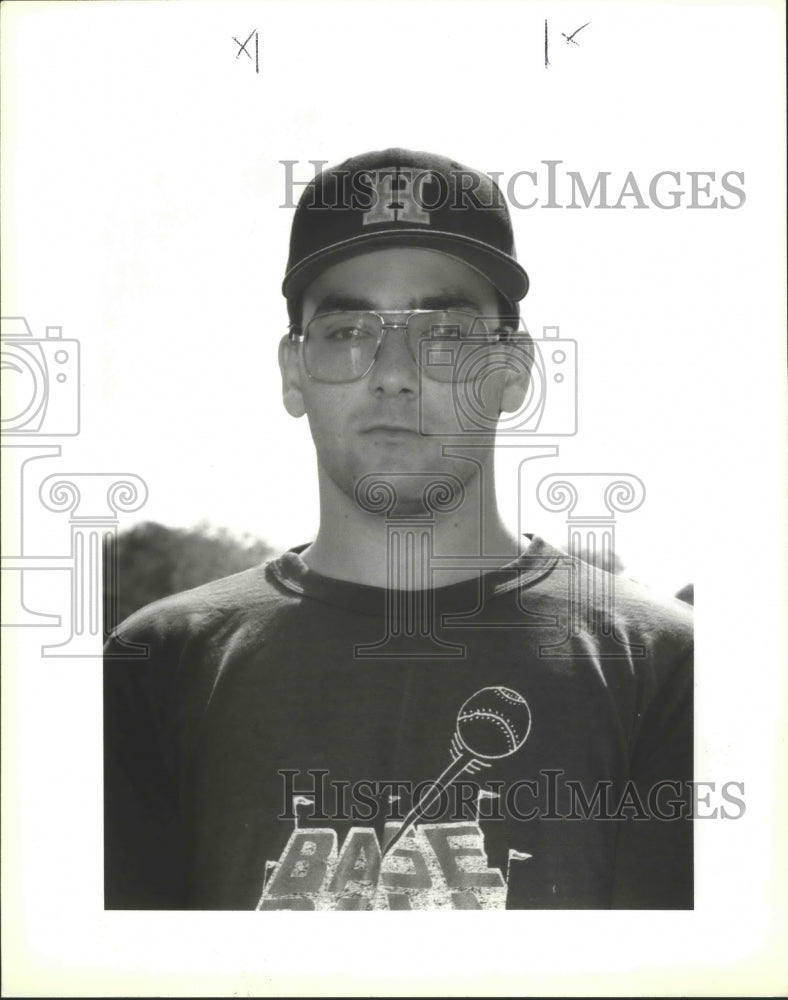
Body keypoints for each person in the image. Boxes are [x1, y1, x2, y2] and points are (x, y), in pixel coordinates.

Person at [104, 148, 693, 911]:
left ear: (513, 371)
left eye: (443, 331)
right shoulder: (158, 667)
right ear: (294, 370)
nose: (394, 369)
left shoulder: (664, 667)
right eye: (348, 329)